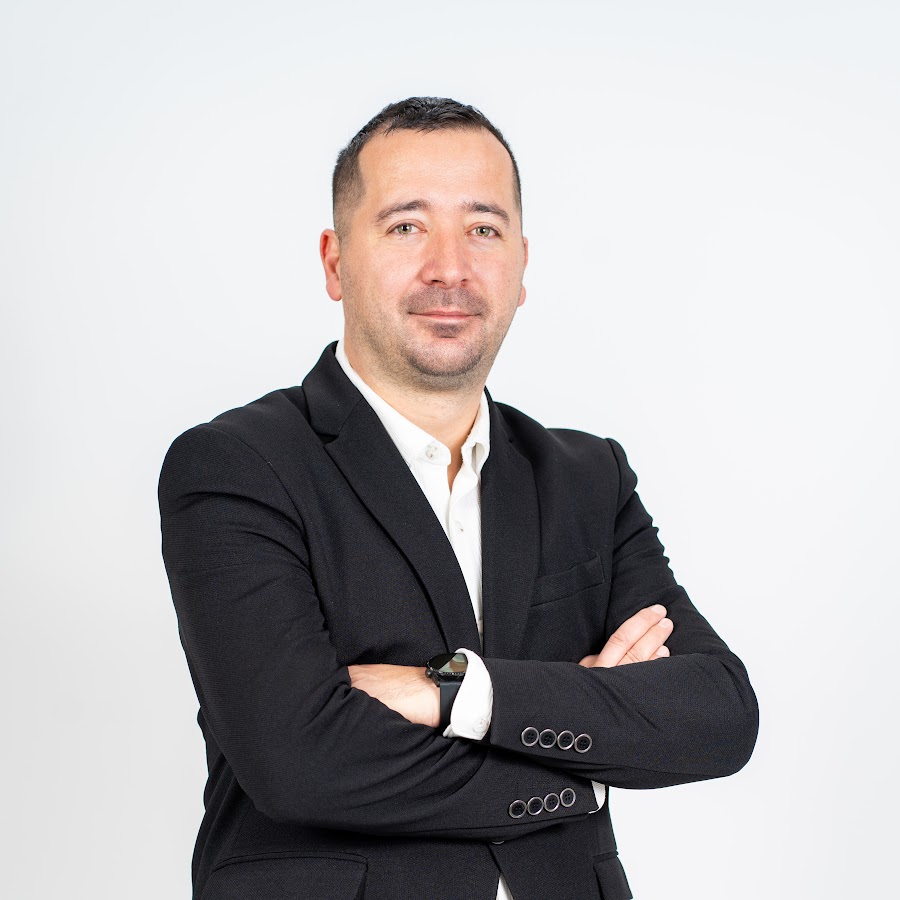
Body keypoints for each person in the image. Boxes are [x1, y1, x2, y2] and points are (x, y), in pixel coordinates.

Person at [158, 97, 758, 900]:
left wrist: (452, 690)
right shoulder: (238, 467)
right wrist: (584, 764)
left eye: (483, 228)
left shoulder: (588, 478)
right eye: (407, 226)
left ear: (521, 264)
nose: (450, 268)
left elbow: (717, 714)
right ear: (335, 263)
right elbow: (300, 761)